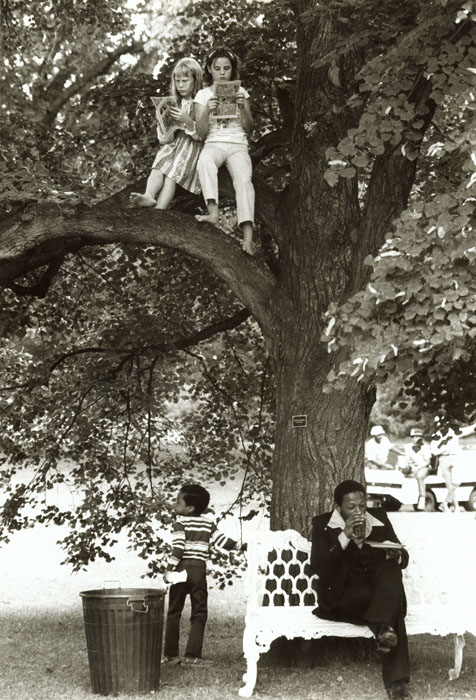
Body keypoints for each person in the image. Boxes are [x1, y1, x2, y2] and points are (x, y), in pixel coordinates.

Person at [310, 480, 412, 700]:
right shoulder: (322, 524)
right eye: (351, 507)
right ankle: (397, 684)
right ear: (338, 508)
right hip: (344, 597)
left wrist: (398, 555)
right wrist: (344, 534)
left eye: (362, 506)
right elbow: (319, 567)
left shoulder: (379, 518)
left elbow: (400, 551)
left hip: (377, 593)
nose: (358, 511)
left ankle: (385, 630)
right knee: (391, 611)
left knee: (391, 567)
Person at [163, 483, 244, 666]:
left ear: (189, 508)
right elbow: (223, 541)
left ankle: (171, 656)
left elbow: (178, 548)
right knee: (199, 612)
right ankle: (192, 655)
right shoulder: (208, 523)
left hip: (180, 570)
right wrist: (241, 545)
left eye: (178, 501)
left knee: (174, 611)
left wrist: (169, 570)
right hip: (198, 571)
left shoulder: (179, 523)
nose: (175, 504)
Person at [193, 46, 255, 255]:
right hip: (214, 143)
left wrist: (242, 108)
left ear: (232, 71)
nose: (222, 72)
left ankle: (248, 237)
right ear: (210, 69)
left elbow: (249, 127)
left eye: (226, 68)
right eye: (217, 68)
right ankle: (213, 213)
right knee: (204, 161)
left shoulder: (241, 91)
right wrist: (207, 111)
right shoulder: (202, 94)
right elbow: (200, 133)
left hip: (238, 144)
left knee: (244, 181)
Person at [130, 57, 203, 210]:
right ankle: (149, 195)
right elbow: (166, 139)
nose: (181, 85)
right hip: (173, 146)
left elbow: (202, 134)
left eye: (185, 80)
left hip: (191, 148)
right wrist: (162, 123)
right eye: (177, 81)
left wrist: (186, 119)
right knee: (158, 166)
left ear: (196, 80)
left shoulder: (200, 103)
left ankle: (160, 209)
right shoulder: (174, 103)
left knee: (171, 176)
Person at [430, 420, 476, 512]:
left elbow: (467, 430)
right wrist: (444, 448)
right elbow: (434, 451)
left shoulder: (453, 432)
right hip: (443, 459)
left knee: (457, 482)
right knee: (449, 485)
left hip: (454, 458)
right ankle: (456, 507)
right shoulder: (436, 436)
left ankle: (445, 503)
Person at [401, 428, 431, 511]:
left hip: (423, 466)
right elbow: (407, 460)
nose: (417, 438)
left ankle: (422, 498)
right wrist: (411, 466)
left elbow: (428, 461)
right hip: (412, 466)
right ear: (412, 438)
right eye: (415, 436)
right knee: (402, 473)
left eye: (419, 437)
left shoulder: (425, 447)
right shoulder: (408, 447)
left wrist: (419, 467)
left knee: (420, 476)